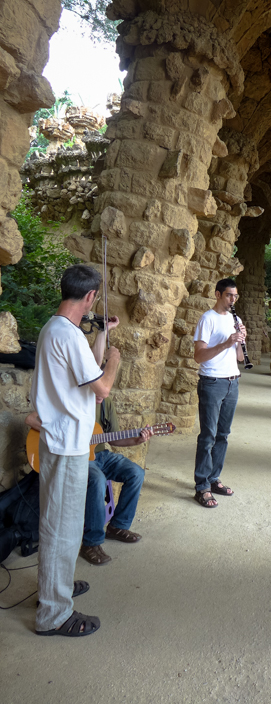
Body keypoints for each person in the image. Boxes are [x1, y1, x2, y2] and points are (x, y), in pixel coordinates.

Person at [30, 264, 120, 637]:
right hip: (66, 445)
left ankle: (57, 588)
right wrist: (115, 361)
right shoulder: (65, 335)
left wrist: (103, 335)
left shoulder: (58, 330)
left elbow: (88, 370)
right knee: (62, 529)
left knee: (61, 524)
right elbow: (101, 387)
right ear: (89, 297)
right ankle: (53, 613)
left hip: (64, 442)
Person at [26, 397, 152, 567]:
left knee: (136, 473)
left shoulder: (106, 404)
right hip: (79, 458)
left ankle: (118, 526)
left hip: (100, 455)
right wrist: (63, 436)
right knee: (97, 479)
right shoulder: (68, 399)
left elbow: (114, 440)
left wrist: (138, 440)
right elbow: (30, 419)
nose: (102, 393)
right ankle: (91, 543)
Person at [193, 278, 246, 508]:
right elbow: (199, 356)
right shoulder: (207, 319)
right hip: (212, 381)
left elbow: (241, 359)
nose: (232, 299)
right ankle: (201, 486)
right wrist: (225, 343)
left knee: (223, 435)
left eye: (235, 296)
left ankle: (214, 479)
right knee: (208, 436)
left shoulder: (236, 319)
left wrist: (242, 341)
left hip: (232, 381)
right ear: (217, 294)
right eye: (228, 295)